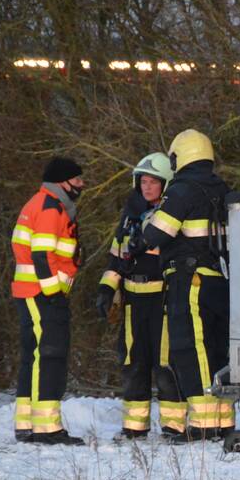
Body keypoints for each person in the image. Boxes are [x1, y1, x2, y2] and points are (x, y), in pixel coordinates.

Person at [139, 129, 234, 442]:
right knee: (218, 348)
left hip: (190, 281)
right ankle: (223, 420)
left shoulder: (181, 189)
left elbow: (157, 234)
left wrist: (145, 231)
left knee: (191, 349)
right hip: (221, 281)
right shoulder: (222, 188)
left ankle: (204, 424)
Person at [96, 153, 181, 439]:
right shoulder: (129, 217)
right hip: (133, 301)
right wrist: (107, 288)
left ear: (165, 185)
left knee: (165, 364)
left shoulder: (171, 215)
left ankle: (173, 427)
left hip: (162, 301)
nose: (146, 187)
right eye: (143, 181)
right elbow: (116, 259)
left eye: (153, 182)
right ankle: (134, 428)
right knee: (133, 363)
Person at [10, 157, 86, 445]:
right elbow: (41, 256)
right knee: (50, 355)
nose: (82, 185)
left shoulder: (42, 203)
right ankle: (47, 428)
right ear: (62, 182)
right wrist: (54, 294)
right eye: (77, 180)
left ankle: (27, 425)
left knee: (34, 355)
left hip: (31, 292)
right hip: (41, 294)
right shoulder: (50, 208)